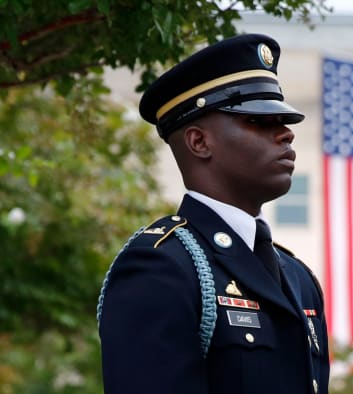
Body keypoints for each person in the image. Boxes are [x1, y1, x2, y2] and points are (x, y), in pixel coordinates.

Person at [97, 33, 329, 394]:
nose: (285, 134)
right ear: (199, 142)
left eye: (283, 121)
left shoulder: (298, 277)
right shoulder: (163, 267)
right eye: (259, 121)